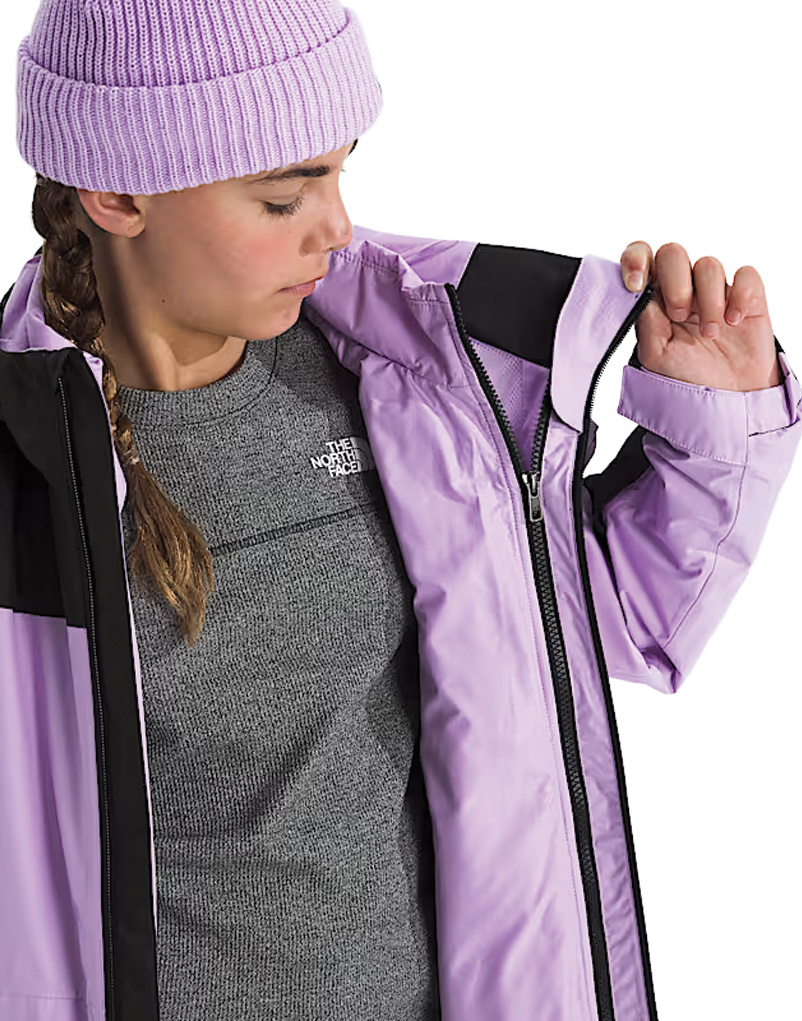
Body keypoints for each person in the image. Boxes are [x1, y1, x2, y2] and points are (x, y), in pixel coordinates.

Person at [0, 1, 799, 1020]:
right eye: (284, 196)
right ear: (117, 193)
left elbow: (589, 630)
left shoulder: (410, 382)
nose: (336, 227)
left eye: (342, 171)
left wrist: (710, 428)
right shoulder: (24, 467)